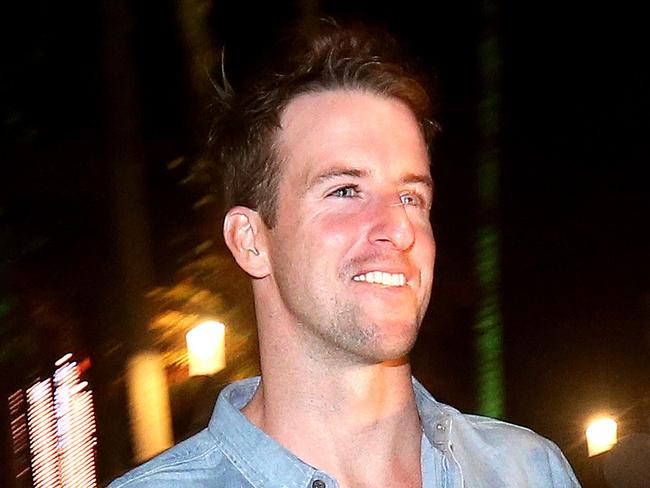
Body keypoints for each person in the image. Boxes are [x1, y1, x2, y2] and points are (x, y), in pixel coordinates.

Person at [109, 20, 580, 488]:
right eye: (346, 190)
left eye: (411, 196)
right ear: (251, 241)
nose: (399, 228)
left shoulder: (529, 471)